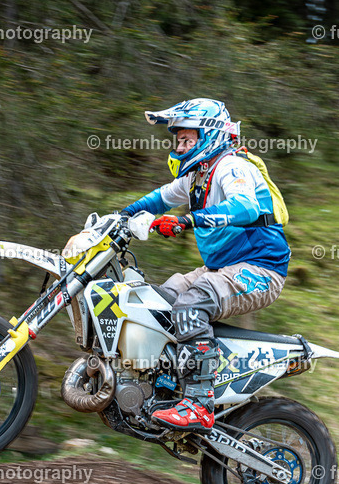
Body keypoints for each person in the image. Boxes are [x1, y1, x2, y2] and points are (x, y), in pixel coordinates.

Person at [120, 98, 290, 432]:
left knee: (190, 305)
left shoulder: (232, 166)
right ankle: (166, 386)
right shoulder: (197, 176)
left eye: (187, 139)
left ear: (209, 136)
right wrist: (120, 216)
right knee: (156, 301)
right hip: (221, 269)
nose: (179, 147)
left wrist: (186, 221)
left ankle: (199, 404)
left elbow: (245, 207)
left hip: (260, 269)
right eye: (178, 140)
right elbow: (158, 199)